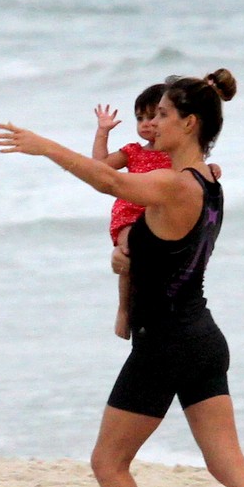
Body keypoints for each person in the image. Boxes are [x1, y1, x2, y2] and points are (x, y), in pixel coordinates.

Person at [0, 69, 244, 487]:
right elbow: (172, 248)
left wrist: (45, 146)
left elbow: (109, 180)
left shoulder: (176, 185)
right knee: (228, 463)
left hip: (167, 342)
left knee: (108, 462)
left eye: (164, 115)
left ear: (190, 123)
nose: (154, 122)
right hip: (202, 337)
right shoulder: (210, 182)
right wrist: (129, 256)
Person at [94, 84, 171, 338]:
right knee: (129, 252)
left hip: (159, 212)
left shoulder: (175, 153)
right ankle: (124, 309)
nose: (146, 124)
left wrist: (212, 168)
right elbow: (100, 167)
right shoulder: (133, 151)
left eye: (153, 117)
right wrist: (102, 132)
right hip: (130, 213)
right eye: (140, 118)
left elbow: (195, 170)